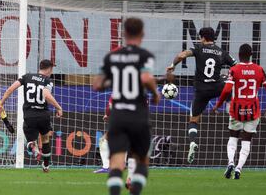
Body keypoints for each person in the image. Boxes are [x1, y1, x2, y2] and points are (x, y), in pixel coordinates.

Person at [93, 17, 160, 195]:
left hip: (118, 115)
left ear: (124, 34)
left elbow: (97, 84)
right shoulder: (145, 56)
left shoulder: (111, 57)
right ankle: (134, 189)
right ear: (142, 34)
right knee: (141, 160)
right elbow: (146, 78)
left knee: (115, 163)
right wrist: (155, 93)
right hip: (138, 114)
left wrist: (115, 82)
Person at [167, 27, 237, 163]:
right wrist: (230, 76)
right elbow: (235, 65)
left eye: (200, 37)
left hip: (201, 91)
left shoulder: (198, 48)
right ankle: (231, 114)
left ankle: (192, 142)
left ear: (203, 38)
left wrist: (172, 65)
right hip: (217, 86)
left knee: (193, 120)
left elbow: (182, 55)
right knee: (229, 87)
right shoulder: (221, 52)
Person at [212, 44, 266, 179]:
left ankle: (230, 163)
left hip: (236, 110)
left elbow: (227, 90)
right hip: (253, 110)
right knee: (247, 140)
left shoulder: (234, 69)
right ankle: (239, 168)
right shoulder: (259, 69)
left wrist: (218, 104)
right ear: (251, 54)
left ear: (239, 55)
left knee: (233, 137)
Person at [0, 59, 62, 173]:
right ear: (50, 69)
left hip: (29, 115)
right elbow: (46, 95)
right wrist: (58, 107)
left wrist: (1, 104)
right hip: (43, 115)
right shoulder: (48, 81)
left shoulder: (26, 77)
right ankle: (46, 166)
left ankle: (31, 144)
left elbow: (10, 89)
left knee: (30, 138)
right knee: (45, 138)